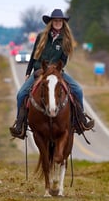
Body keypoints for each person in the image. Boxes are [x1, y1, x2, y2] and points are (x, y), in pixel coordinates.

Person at [9, 9, 94, 139]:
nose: (58, 23)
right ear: (51, 22)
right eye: (55, 20)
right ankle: (20, 125)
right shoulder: (41, 36)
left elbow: (64, 60)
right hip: (39, 71)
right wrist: (28, 72)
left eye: (60, 21)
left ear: (63, 23)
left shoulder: (66, 40)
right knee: (21, 94)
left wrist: (55, 69)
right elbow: (33, 56)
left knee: (78, 90)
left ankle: (80, 121)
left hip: (56, 72)